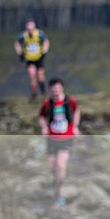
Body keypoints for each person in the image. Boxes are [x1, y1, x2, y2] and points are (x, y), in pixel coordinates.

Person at [39, 77, 80, 206]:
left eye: (57, 88)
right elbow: (42, 116)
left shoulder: (70, 101)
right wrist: (44, 127)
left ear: (62, 88)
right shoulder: (48, 103)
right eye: (53, 89)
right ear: (50, 90)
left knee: (61, 165)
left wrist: (75, 127)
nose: (55, 91)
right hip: (52, 139)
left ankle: (60, 193)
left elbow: (77, 111)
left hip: (66, 139)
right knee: (52, 166)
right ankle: (55, 182)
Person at [14, 19, 50, 101]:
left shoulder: (40, 34)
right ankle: (34, 93)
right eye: (28, 29)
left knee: (40, 76)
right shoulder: (23, 35)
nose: (30, 31)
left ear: (34, 27)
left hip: (39, 58)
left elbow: (46, 42)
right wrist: (20, 53)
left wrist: (44, 52)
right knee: (32, 75)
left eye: (31, 29)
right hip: (29, 58)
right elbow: (17, 44)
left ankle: (44, 92)